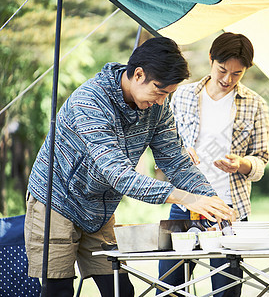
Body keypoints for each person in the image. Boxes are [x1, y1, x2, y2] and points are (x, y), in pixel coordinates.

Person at [24, 37, 235, 297]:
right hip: (55, 200)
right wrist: (184, 197)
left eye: (167, 95)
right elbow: (117, 173)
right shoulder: (91, 101)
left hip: (99, 206)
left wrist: (208, 198)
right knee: (58, 289)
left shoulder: (159, 106)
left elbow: (176, 160)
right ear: (138, 74)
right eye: (159, 91)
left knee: (120, 289)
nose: (161, 101)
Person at [158, 32, 269, 297]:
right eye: (222, 70)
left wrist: (241, 163)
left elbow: (261, 161)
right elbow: (165, 145)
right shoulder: (182, 94)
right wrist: (182, 152)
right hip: (185, 202)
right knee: (169, 286)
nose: (227, 79)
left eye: (237, 74)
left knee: (226, 288)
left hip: (229, 208)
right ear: (211, 59)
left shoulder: (256, 104)